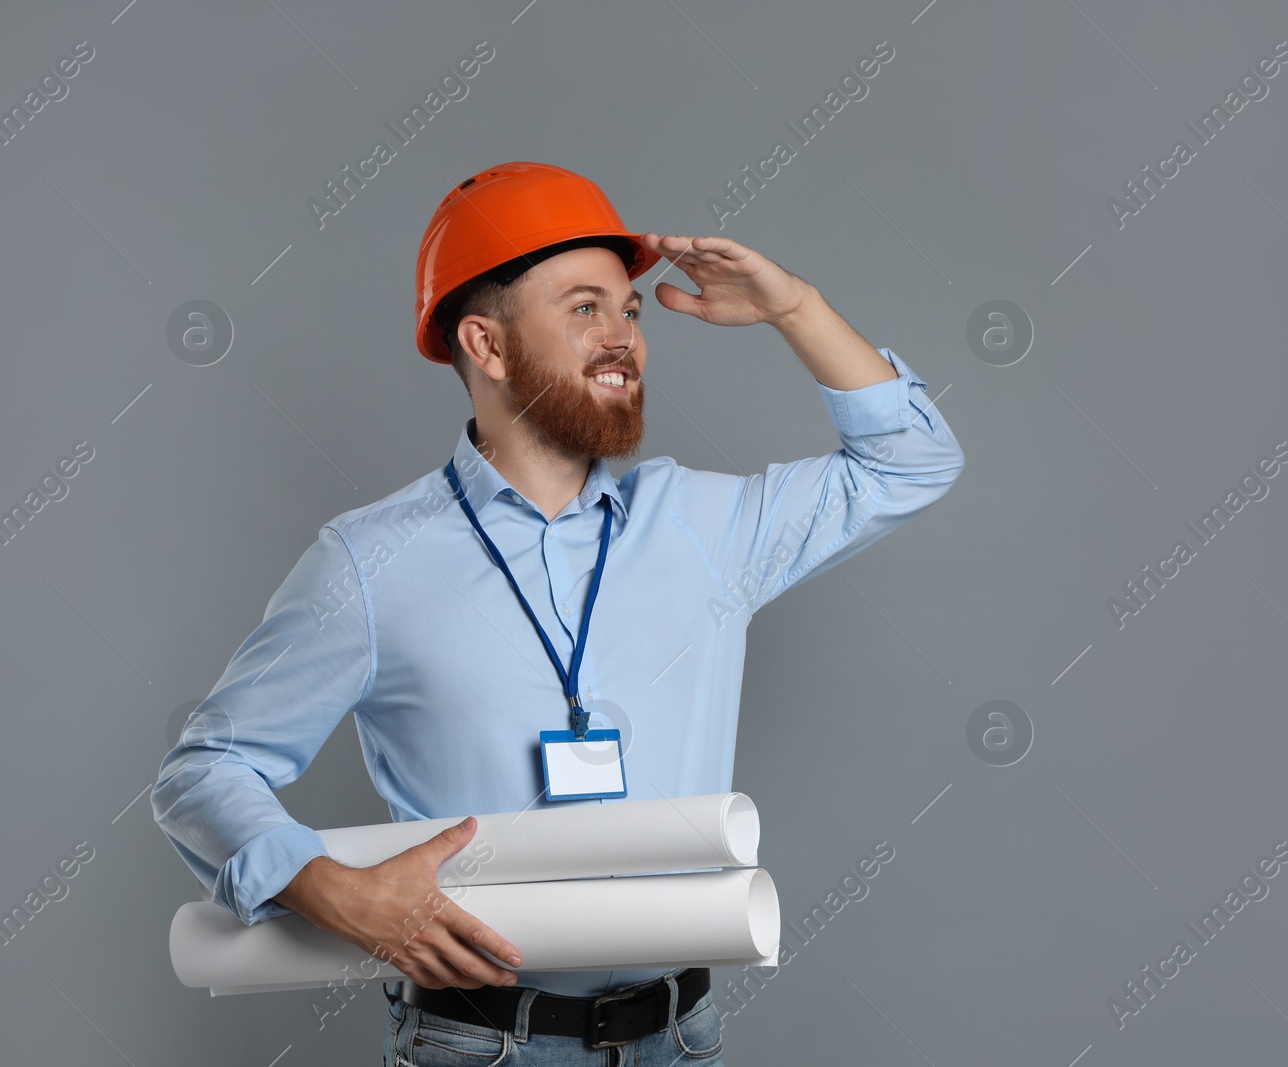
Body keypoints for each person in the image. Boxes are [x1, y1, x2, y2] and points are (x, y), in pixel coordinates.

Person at [151, 161, 964, 1066]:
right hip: (478, 1044)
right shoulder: (367, 563)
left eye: (630, 311)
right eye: (584, 309)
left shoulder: (706, 525)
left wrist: (793, 307)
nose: (623, 337)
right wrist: (324, 887)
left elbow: (913, 460)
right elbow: (206, 768)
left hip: (679, 1039)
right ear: (487, 346)